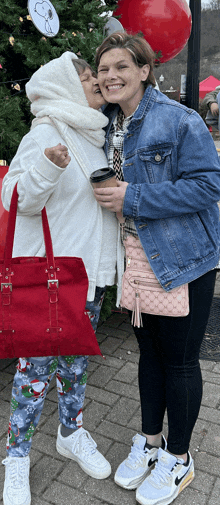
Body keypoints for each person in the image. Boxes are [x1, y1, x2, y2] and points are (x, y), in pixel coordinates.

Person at [93, 32, 220, 505]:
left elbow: (208, 186)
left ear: (144, 71)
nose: (111, 77)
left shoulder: (178, 120)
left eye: (121, 67)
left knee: (181, 360)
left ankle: (181, 460)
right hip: (136, 256)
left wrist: (134, 196)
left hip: (184, 255)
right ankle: (150, 444)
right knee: (149, 353)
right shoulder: (106, 124)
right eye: (104, 69)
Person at [1, 51, 124, 505]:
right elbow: (14, 198)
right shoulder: (47, 131)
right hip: (52, 279)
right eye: (88, 76)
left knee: (74, 364)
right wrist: (48, 167)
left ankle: (70, 433)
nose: (97, 81)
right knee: (33, 374)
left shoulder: (92, 132)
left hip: (85, 276)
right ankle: (16, 458)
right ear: (65, 85)